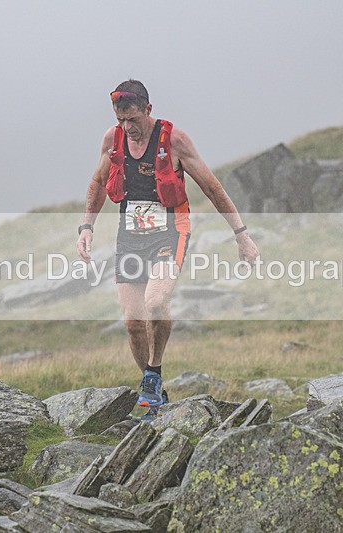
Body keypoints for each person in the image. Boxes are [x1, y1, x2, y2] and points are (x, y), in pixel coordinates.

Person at [77, 79, 259, 415]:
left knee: (156, 302)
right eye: (121, 121)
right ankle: (156, 393)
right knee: (133, 322)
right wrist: (87, 226)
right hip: (130, 234)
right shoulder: (112, 139)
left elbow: (212, 187)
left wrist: (241, 235)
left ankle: (153, 373)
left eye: (133, 119)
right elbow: (99, 182)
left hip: (170, 232)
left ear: (148, 110)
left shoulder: (173, 140)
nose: (128, 128)